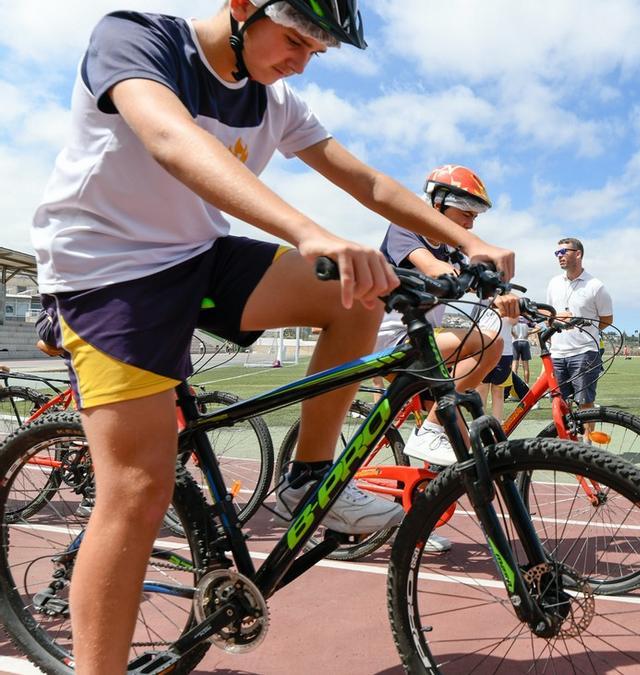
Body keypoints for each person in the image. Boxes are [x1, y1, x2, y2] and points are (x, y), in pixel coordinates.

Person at [29, 3, 516, 671]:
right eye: (293, 39)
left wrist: (468, 238)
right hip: (106, 272)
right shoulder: (136, 38)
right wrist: (307, 232)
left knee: (360, 293)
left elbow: (367, 180)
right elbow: (171, 139)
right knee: (139, 489)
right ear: (239, 6)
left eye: (316, 50)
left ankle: (308, 474)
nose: (301, 59)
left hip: (195, 256)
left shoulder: (276, 102)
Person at [378, 165, 508, 470]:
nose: (470, 224)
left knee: (466, 454)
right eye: (466, 213)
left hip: (423, 345)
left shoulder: (449, 249)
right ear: (438, 203)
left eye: (475, 217)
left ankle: (428, 494)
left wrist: (506, 295)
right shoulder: (405, 228)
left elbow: (479, 280)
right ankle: (430, 429)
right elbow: (431, 267)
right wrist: (456, 273)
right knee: (490, 345)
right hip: (391, 340)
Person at [546, 238, 613, 410]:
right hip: (557, 353)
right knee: (560, 402)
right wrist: (556, 318)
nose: (559, 256)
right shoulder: (554, 283)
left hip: (584, 352)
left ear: (578, 254)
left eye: (563, 252)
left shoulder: (595, 286)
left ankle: (586, 438)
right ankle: (565, 438)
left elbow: (607, 319)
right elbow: (548, 314)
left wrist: (584, 332)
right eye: (557, 253)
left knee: (585, 402)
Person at [511, 316, 532, 387]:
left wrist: (515, 335)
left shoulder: (514, 318)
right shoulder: (526, 319)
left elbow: (510, 330)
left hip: (516, 342)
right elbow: (539, 328)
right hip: (525, 342)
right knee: (526, 366)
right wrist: (528, 333)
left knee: (514, 365)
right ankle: (526, 385)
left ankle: (514, 386)